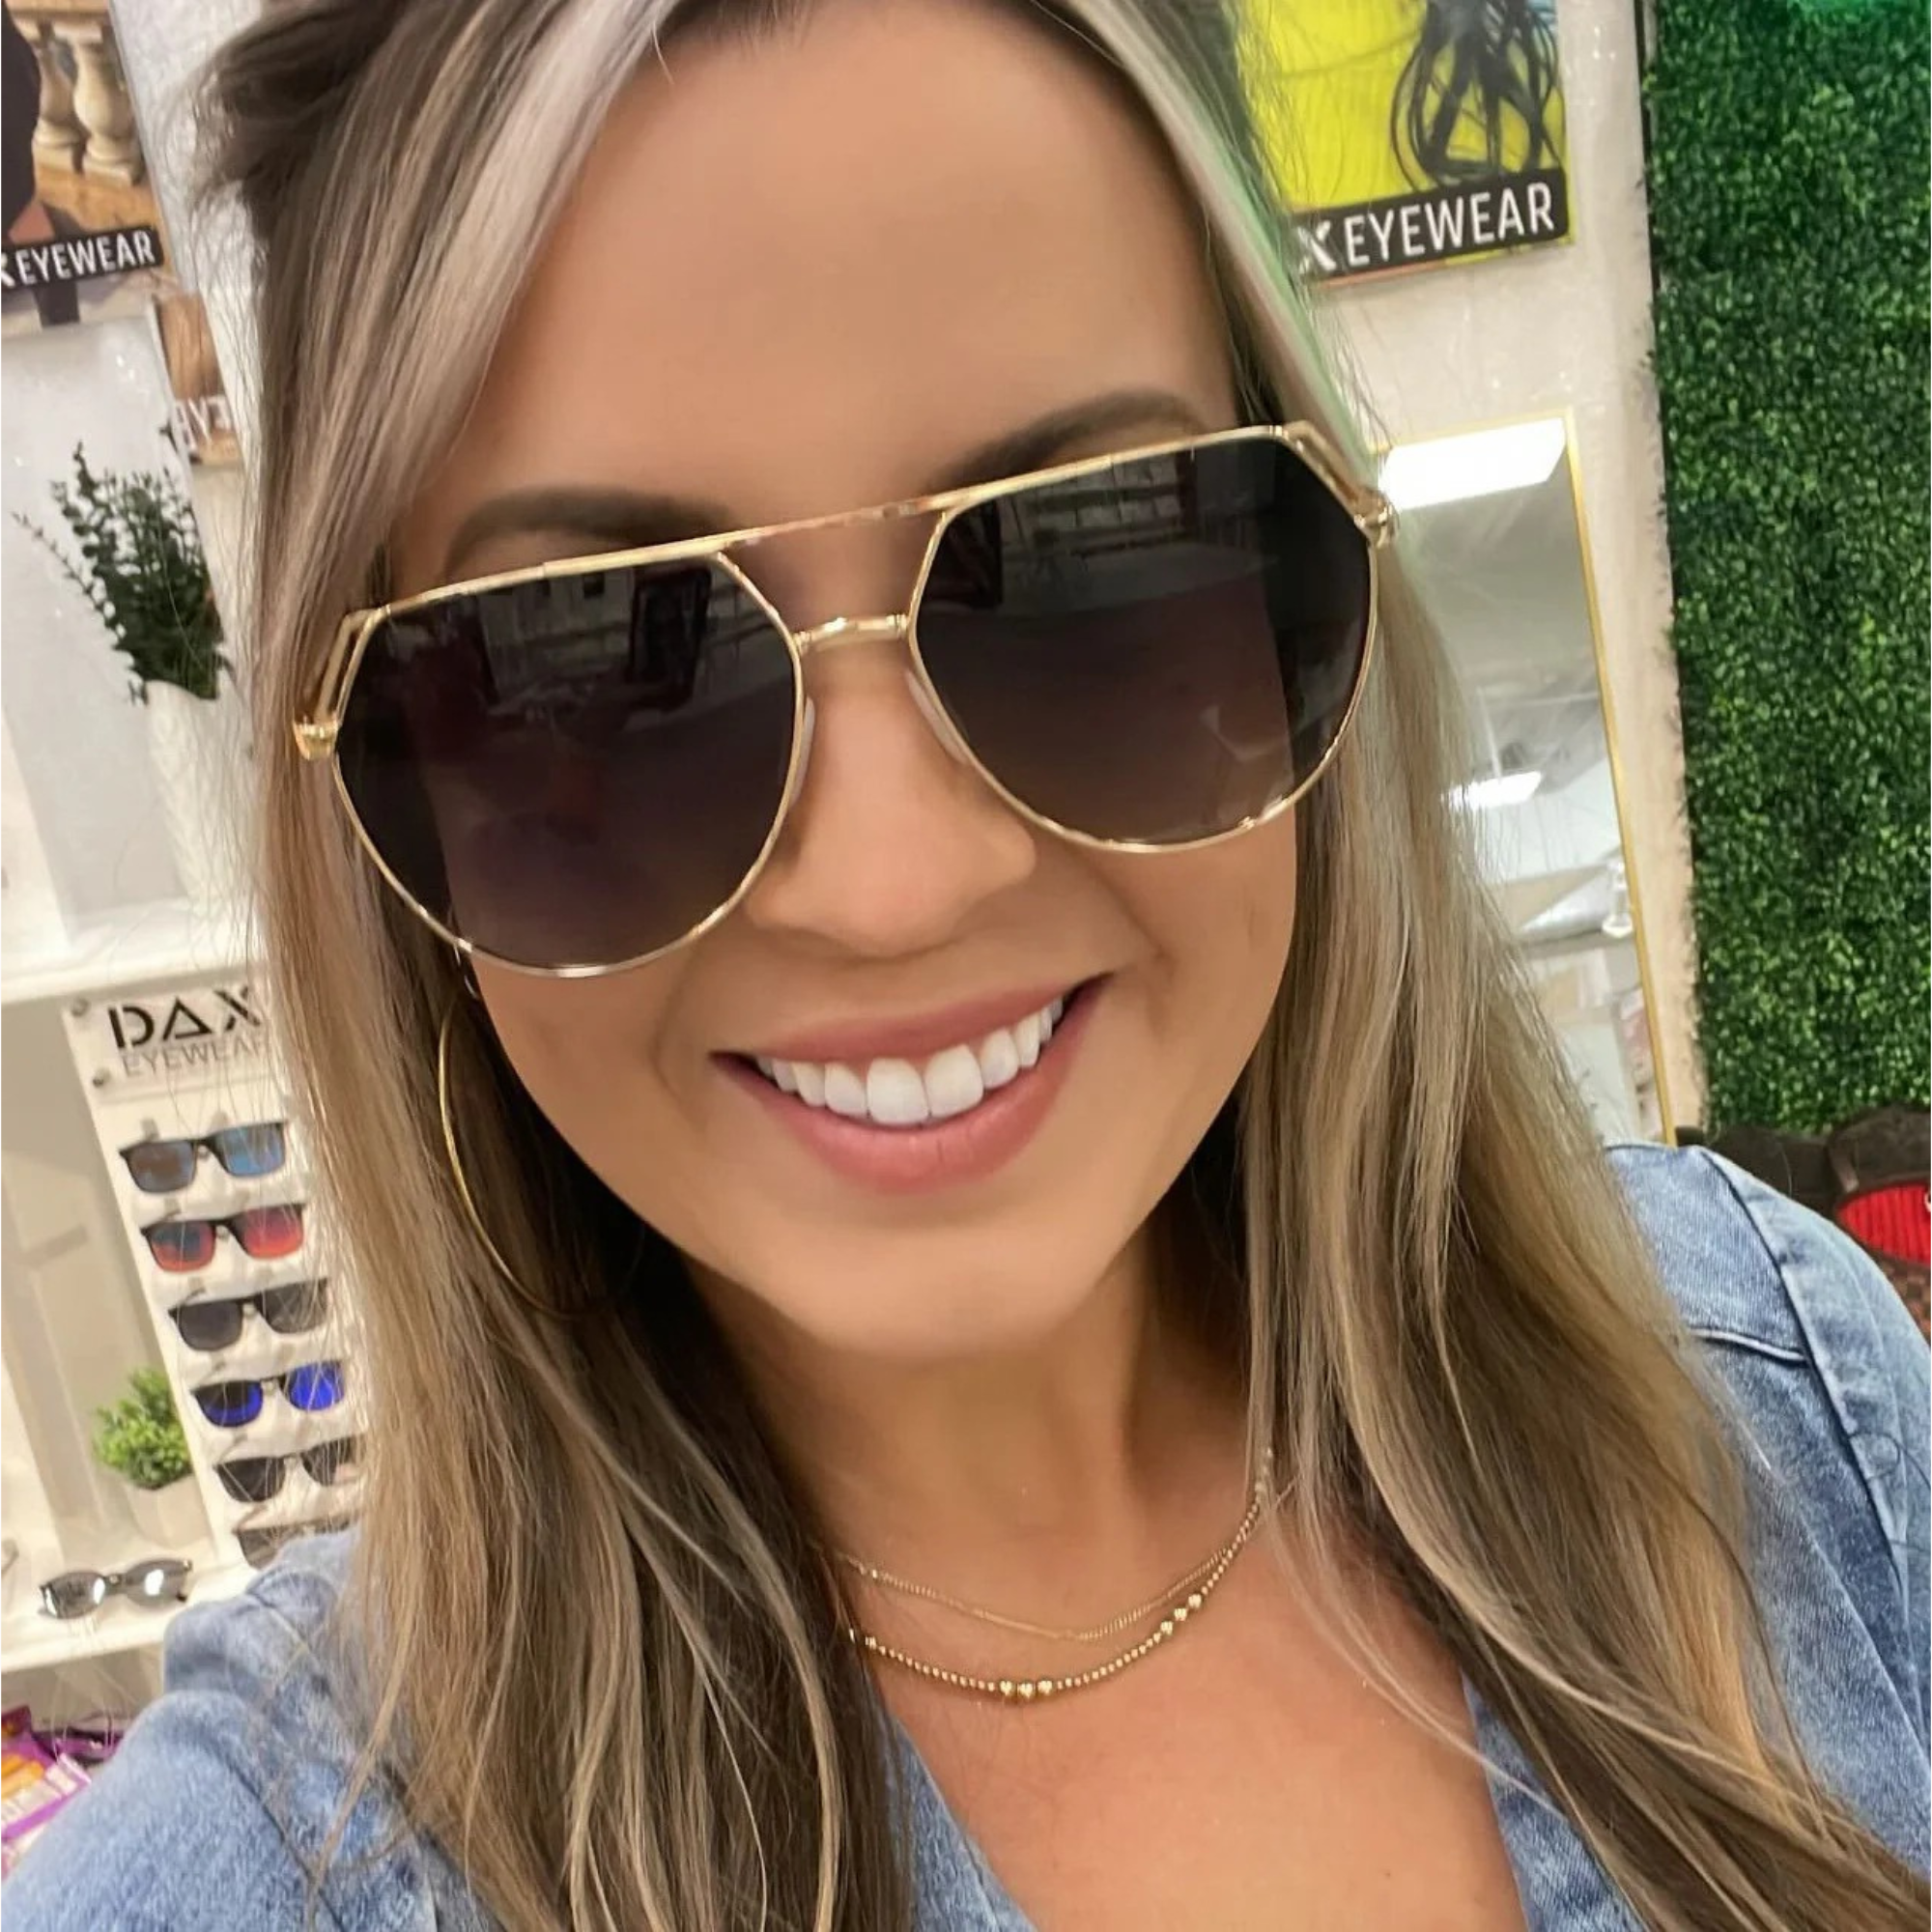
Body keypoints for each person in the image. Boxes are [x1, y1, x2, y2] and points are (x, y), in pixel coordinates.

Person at [7, 1, 1926, 1927]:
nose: (894, 884)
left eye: (1089, 564)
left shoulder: (1782, 1395)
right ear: (380, 798)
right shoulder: (266, 1874)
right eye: (590, 662)